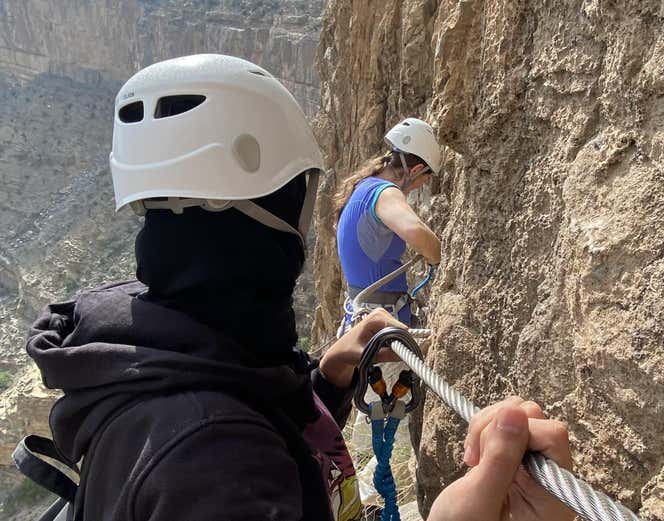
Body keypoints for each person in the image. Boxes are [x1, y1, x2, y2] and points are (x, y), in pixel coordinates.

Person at [25, 54, 574, 521]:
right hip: (380, 323)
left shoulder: (175, 350)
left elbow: (254, 410)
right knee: (387, 440)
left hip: (356, 330)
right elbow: (236, 444)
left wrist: (325, 380)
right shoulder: (217, 465)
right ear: (283, 210)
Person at [334, 118, 442, 333]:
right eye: (425, 178)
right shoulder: (385, 192)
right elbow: (415, 231)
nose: (420, 187)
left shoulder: (362, 188)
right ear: (416, 169)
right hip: (383, 328)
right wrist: (439, 255)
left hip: (362, 322)